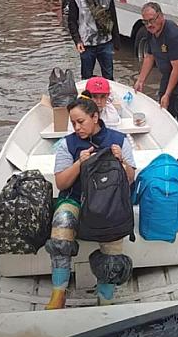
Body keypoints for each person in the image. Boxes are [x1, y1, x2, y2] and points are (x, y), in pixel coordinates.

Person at [44, 97, 136, 309]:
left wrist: (121, 160)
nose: (77, 128)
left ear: (95, 117)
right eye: (73, 123)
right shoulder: (68, 144)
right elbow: (61, 183)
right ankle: (59, 292)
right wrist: (79, 163)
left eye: (81, 121)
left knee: (114, 232)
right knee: (62, 222)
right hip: (75, 200)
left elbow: (130, 179)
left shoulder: (119, 141)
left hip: (109, 202)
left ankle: (105, 294)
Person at [134, 2, 178, 141]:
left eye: (152, 20)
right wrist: (140, 80)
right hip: (168, 72)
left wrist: (168, 94)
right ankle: (168, 139)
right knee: (164, 108)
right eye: (146, 22)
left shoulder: (174, 35)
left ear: (161, 16)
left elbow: (177, 68)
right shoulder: (151, 31)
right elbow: (150, 56)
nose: (149, 25)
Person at [66, 0, 121, 80]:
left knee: (108, 76)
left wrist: (116, 41)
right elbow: (72, 22)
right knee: (86, 77)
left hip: (105, 43)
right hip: (86, 44)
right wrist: (77, 41)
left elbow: (113, 18)